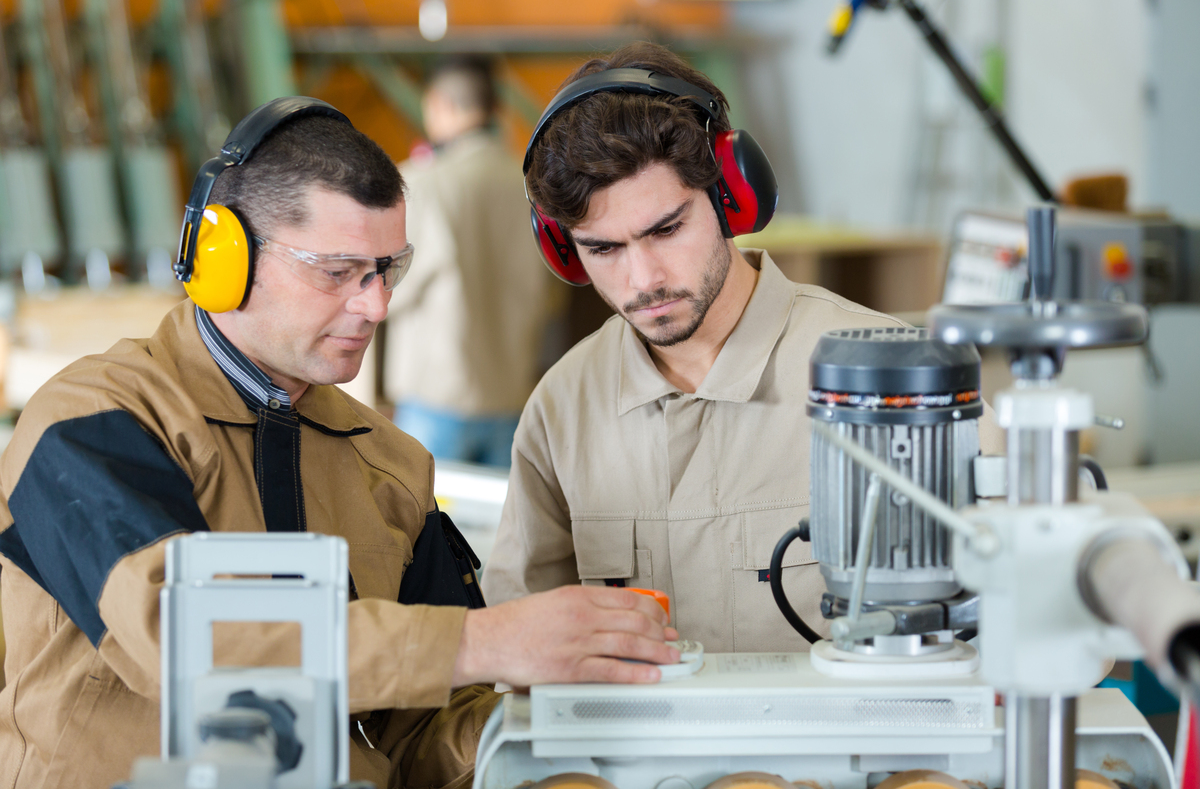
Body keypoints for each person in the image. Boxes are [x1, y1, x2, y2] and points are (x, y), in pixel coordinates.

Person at [0, 99, 678, 789]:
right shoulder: (94, 420)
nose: (376, 305)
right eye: (337, 272)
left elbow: (421, 736)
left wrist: (561, 710)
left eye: (387, 269)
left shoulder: (389, 464)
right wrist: (486, 642)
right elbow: (181, 642)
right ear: (221, 257)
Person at [481, 43, 1004, 653]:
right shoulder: (562, 410)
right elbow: (516, 659)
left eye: (666, 229)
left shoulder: (896, 379)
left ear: (731, 197)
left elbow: (1040, 615)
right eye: (604, 249)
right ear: (566, 251)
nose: (642, 279)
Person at [386, 55, 550, 467]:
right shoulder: (531, 189)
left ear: (440, 104)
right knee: (504, 528)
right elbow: (551, 295)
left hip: (437, 400)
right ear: (494, 108)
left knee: (419, 525)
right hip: (512, 396)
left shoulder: (423, 184)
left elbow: (391, 290)